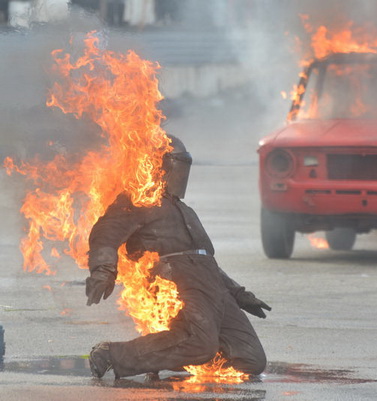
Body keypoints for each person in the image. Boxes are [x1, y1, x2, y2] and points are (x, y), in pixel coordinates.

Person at [85, 135, 270, 379]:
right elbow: (105, 234)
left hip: (213, 286)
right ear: (160, 165)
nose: (182, 174)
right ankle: (112, 354)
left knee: (251, 359)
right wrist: (104, 269)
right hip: (177, 280)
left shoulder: (185, 210)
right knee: (200, 343)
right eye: (178, 165)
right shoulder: (139, 200)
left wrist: (238, 293)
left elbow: (205, 259)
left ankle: (174, 354)